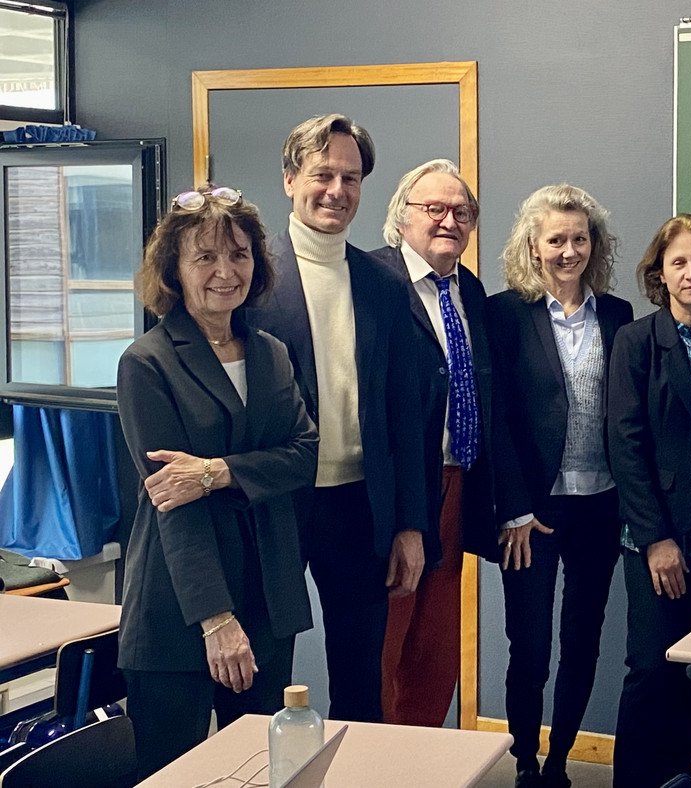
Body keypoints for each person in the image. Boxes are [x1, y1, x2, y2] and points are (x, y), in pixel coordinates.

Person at [116, 186, 317, 778]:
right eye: (205, 257)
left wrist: (216, 471)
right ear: (174, 270)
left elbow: (305, 456)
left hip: (268, 598)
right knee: (173, 776)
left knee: (261, 772)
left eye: (239, 254)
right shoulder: (147, 363)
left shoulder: (272, 353)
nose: (226, 272)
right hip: (181, 609)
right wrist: (216, 619)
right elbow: (172, 503)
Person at [249, 114, 429, 723]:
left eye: (350, 178)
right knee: (265, 671)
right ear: (289, 180)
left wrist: (410, 524)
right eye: (322, 174)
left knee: (360, 678)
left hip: (359, 504)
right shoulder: (251, 280)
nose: (337, 190)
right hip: (276, 502)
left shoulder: (383, 283)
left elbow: (406, 413)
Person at [486, 184, 633, 788]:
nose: (569, 251)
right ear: (533, 246)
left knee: (582, 641)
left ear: (594, 244)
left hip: (600, 504)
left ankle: (560, 761)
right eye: (556, 240)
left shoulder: (617, 315)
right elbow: (497, 419)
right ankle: (524, 758)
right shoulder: (504, 314)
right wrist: (515, 509)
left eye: (579, 238)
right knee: (529, 644)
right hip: (533, 512)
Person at [609, 214, 691, 788]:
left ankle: (677, 778)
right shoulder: (637, 340)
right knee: (652, 667)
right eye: (678, 262)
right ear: (659, 272)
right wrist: (656, 539)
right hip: (660, 533)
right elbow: (625, 442)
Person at [371, 159, 502, 727]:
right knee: (386, 640)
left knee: (436, 645)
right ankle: (376, 759)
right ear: (402, 217)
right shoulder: (372, 281)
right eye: (435, 209)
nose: (449, 220)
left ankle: (420, 754)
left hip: (457, 484)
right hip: (398, 488)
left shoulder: (469, 289)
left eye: (462, 211)